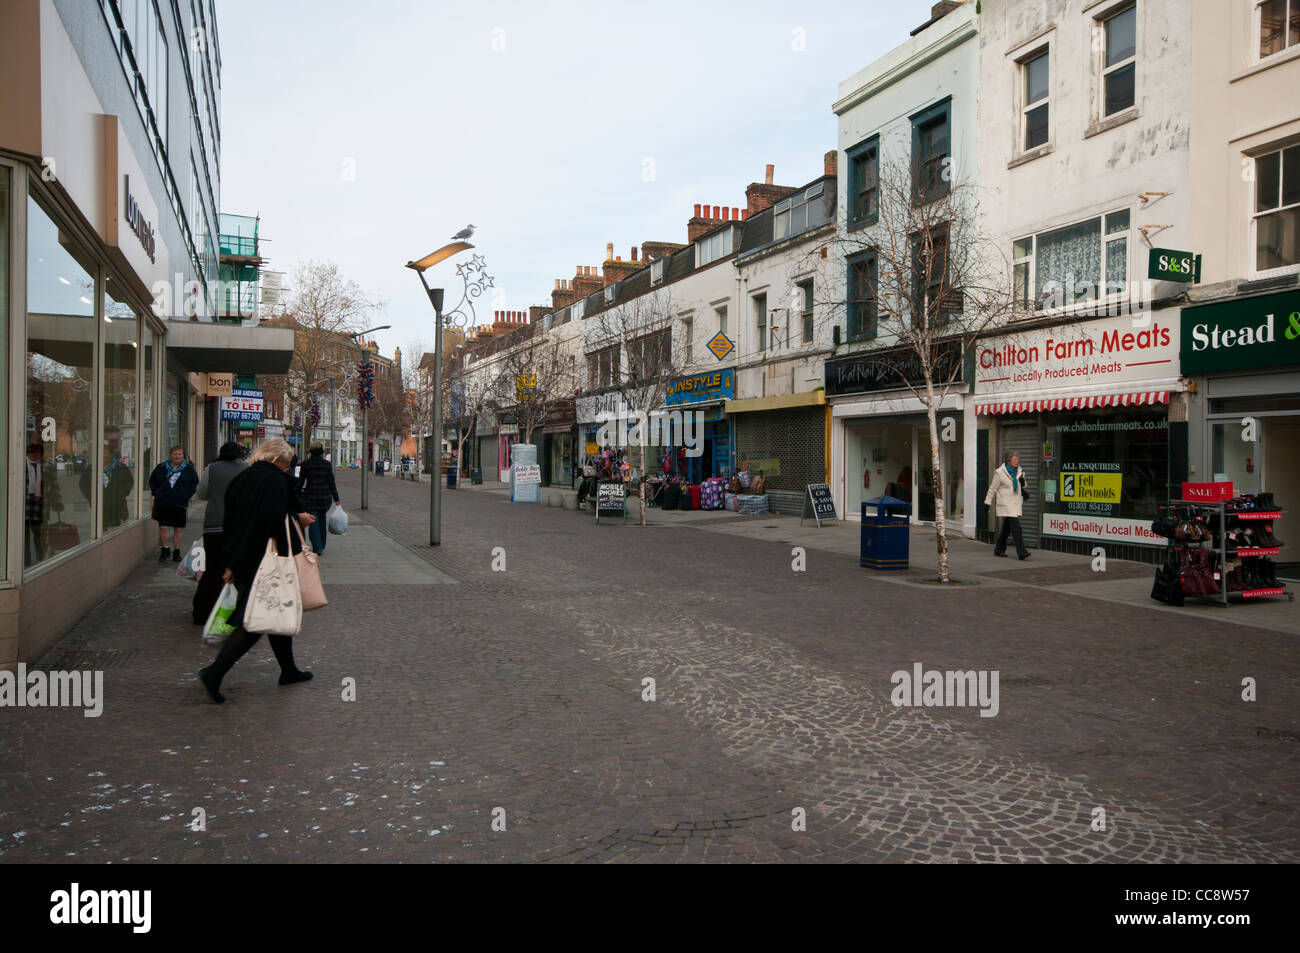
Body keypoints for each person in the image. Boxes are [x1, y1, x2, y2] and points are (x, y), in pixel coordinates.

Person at [198, 438, 315, 704]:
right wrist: (298, 519)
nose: (288, 467)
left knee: (275, 612)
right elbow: (272, 519)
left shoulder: (242, 478)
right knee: (255, 620)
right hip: (266, 559)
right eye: (286, 462)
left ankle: (288, 670)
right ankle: (214, 672)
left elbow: (231, 520)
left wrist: (231, 560)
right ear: (276, 459)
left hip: (243, 555)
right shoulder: (275, 480)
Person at [192, 442, 248, 624]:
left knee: (211, 570)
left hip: (214, 525)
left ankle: (201, 613)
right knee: (238, 570)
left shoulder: (212, 469)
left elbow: (201, 494)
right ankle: (237, 613)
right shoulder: (247, 469)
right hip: (239, 527)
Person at [148, 445, 199, 561]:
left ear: (183, 456)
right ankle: (165, 549)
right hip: (163, 502)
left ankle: (177, 551)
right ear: (170, 455)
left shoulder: (188, 469)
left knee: (178, 528)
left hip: (179, 502)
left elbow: (195, 483)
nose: (177, 456)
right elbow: (152, 481)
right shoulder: (161, 467)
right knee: (163, 527)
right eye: (175, 454)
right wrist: (157, 493)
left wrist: (187, 494)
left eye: (180, 454)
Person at [984, 450, 1031, 560]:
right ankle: (1021, 552)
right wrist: (987, 503)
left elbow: (1023, 485)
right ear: (1008, 461)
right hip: (1005, 503)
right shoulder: (999, 473)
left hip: (1015, 503)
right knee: (1016, 528)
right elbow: (992, 489)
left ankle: (999, 549)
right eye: (1015, 459)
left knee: (1007, 528)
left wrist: (1023, 482)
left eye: (1018, 459)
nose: (1017, 461)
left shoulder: (1019, 471)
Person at [296, 442, 340, 556]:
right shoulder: (327, 465)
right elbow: (331, 483)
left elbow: (300, 482)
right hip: (325, 497)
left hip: (311, 497)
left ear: (310, 451)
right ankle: (322, 544)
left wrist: (296, 494)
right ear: (322, 452)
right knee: (322, 518)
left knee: (313, 520)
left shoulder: (306, 464)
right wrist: (336, 499)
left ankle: (317, 547)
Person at [24, 443, 62, 565]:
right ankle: (26, 561)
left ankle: (41, 558)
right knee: (24, 535)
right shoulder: (21, 465)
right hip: (24, 507)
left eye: (36, 453)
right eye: (31, 453)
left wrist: (57, 503)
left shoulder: (47, 467)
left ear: (41, 454)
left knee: (40, 534)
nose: (33, 455)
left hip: (41, 507)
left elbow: (54, 486)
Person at [81, 446, 133, 530]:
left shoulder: (120, 467)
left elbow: (129, 482)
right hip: (99, 505)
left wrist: (121, 494)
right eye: (100, 453)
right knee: (99, 529)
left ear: (111, 454)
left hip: (116, 506)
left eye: (105, 453)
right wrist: (91, 497)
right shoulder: (91, 468)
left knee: (115, 529)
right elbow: (83, 485)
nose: (102, 455)